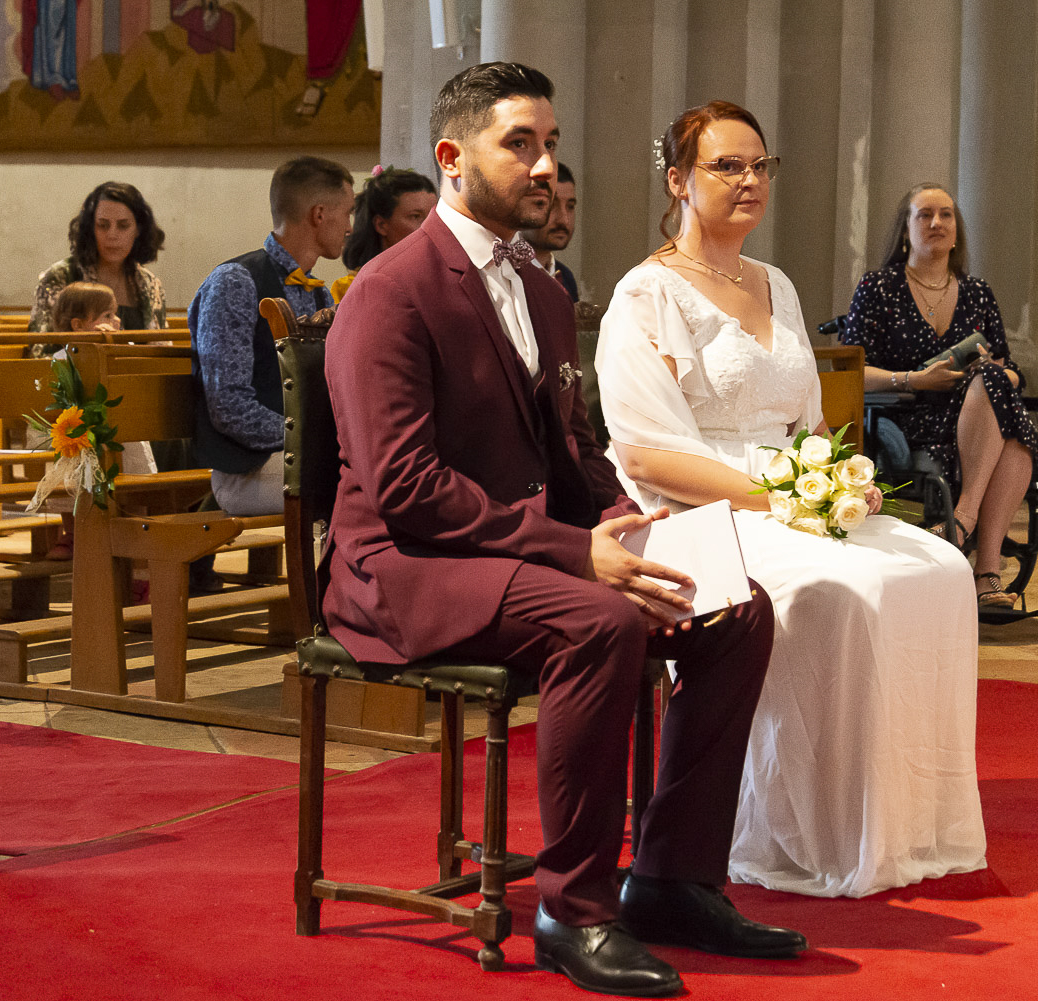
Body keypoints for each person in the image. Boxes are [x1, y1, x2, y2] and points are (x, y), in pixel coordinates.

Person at [324, 63, 802, 997]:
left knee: (735, 609)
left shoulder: (541, 292)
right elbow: (406, 487)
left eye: (550, 144)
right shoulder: (392, 291)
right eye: (520, 144)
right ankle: (573, 909)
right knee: (602, 622)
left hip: (505, 549)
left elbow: (575, 453)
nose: (545, 165)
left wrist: (629, 523)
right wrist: (577, 551)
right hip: (403, 565)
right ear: (451, 158)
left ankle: (670, 876)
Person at [596, 101, 985, 900]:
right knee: (852, 588)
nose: (749, 181)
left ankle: (897, 821)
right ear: (677, 181)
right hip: (694, 513)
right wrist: (779, 496)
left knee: (940, 565)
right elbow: (645, 452)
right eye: (726, 166)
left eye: (759, 166)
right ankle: (802, 831)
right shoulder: (646, 295)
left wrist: (844, 477)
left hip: (790, 494)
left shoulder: (775, 283)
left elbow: (810, 421)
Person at [841, 183, 1038, 609]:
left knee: (998, 391)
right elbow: (852, 373)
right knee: (1017, 436)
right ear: (906, 230)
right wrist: (913, 380)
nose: (936, 223)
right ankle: (986, 573)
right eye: (924, 215)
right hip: (907, 416)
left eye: (946, 215)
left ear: (957, 232)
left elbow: (1010, 366)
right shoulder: (878, 286)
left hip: (980, 415)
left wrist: (998, 374)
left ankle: (962, 520)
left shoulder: (978, 292)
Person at [190, 156, 353, 517]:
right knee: (362, 484)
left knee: (381, 471)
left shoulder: (319, 294)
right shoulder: (235, 281)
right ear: (320, 214)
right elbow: (228, 406)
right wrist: (310, 439)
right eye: (347, 212)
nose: (349, 227)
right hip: (244, 470)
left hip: (296, 457)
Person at [37, 282, 157, 565]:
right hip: (77, 438)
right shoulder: (61, 358)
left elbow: (136, 369)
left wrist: (113, 346)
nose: (116, 322)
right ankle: (73, 533)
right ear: (78, 325)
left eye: (115, 315)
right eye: (106, 316)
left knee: (133, 484)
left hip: (125, 436)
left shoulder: (121, 349)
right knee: (71, 483)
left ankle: (135, 534)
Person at [28, 181, 168, 355]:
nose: (112, 235)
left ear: (138, 230)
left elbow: (161, 353)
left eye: (123, 226)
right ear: (90, 229)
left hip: (136, 377)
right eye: (103, 225)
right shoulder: (61, 276)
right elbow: (39, 351)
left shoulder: (150, 283)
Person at [333, 166, 437, 301]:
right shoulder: (350, 288)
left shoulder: (440, 282)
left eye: (434, 216)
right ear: (381, 225)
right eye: (415, 217)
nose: (430, 226)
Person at [521, 161, 579, 301]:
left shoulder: (565, 276)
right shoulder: (508, 273)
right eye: (552, 205)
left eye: (570, 207)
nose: (564, 220)